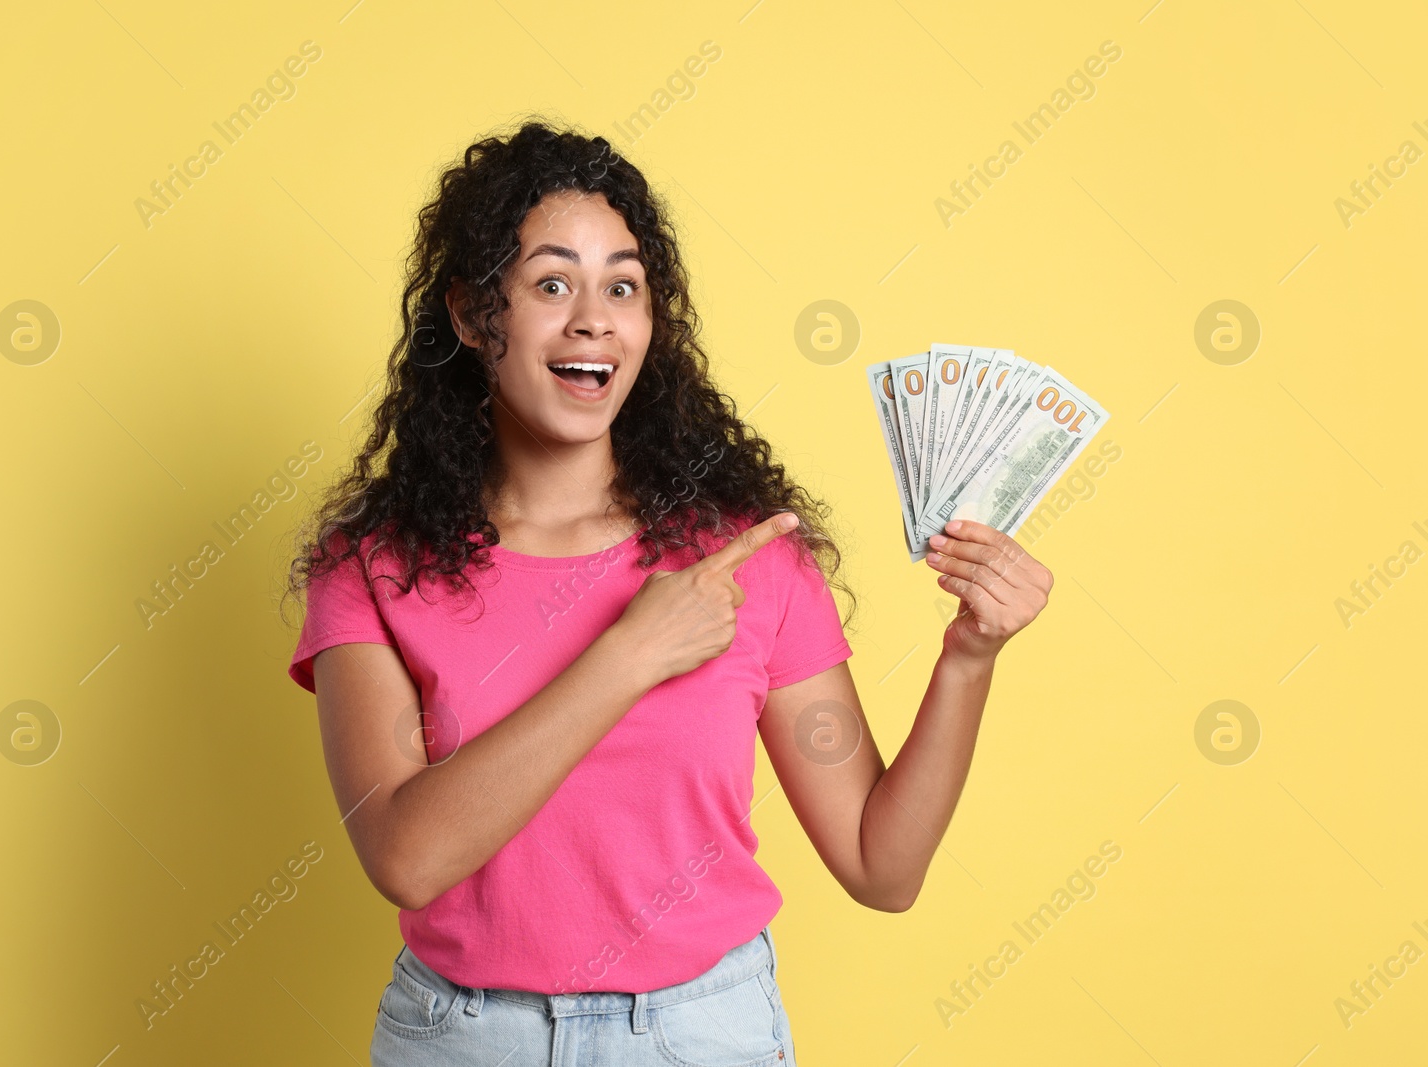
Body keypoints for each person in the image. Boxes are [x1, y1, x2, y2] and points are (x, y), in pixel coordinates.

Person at [282, 117, 1053, 1065]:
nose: (594, 318)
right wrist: (631, 652)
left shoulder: (746, 553)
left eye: (624, 286)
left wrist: (970, 656)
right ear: (474, 314)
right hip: (465, 1039)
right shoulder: (374, 564)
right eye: (551, 283)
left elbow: (881, 866)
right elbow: (408, 856)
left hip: (700, 1033)